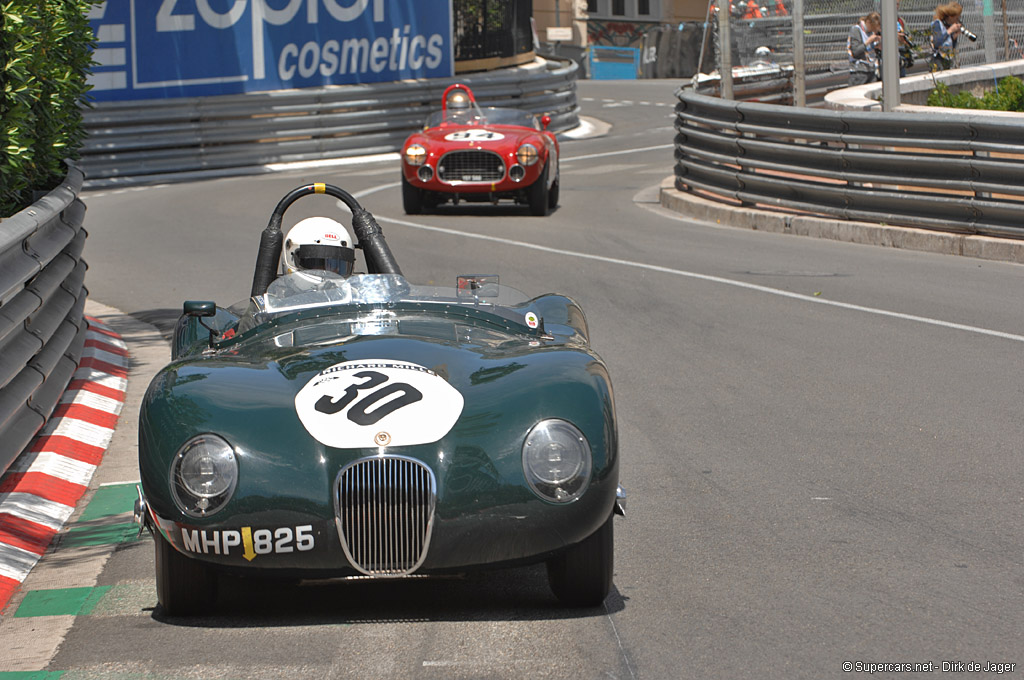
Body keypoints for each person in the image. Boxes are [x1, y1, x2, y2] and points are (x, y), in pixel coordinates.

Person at [281, 216, 356, 277]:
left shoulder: (353, 293)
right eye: (317, 264)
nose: (328, 273)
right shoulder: (275, 294)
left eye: (334, 265)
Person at [847, 12, 882, 86]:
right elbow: (856, 52)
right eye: (873, 28)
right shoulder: (856, 30)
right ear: (868, 22)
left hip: (871, 69)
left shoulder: (871, 32)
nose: (873, 31)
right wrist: (868, 41)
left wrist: (876, 46)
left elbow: (868, 49)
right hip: (859, 71)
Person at [930, 1, 964, 71]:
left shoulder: (949, 26)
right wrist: (950, 31)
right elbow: (937, 42)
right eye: (956, 18)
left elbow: (950, 45)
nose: (957, 20)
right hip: (938, 60)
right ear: (950, 17)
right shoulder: (937, 24)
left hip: (947, 58)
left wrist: (954, 37)